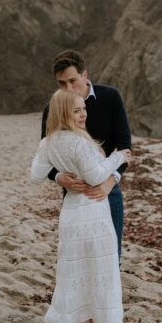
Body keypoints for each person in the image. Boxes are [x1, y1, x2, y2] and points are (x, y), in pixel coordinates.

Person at [30, 87, 127, 323]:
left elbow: (36, 175)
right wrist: (119, 158)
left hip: (71, 216)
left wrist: (59, 175)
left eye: (84, 108)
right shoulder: (79, 143)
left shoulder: (47, 143)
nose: (83, 114)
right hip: (94, 215)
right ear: (63, 113)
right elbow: (96, 176)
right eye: (76, 110)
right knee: (103, 277)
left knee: (77, 279)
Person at [40, 54, 132, 262]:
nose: (68, 88)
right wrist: (58, 177)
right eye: (61, 83)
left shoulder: (110, 97)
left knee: (110, 256)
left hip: (108, 191)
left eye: (73, 80)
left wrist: (109, 183)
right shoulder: (53, 108)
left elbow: (124, 145)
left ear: (85, 75)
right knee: (78, 257)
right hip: (73, 194)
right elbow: (45, 152)